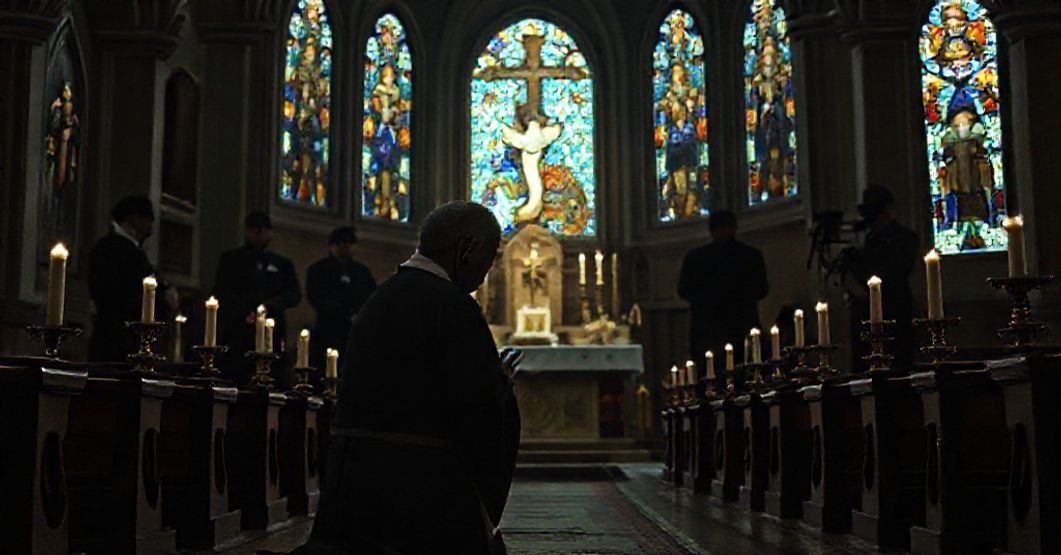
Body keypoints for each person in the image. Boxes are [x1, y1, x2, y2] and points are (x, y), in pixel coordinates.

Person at [295, 201, 521, 555]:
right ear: (466, 249)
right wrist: (500, 385)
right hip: (419, 498)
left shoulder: (383, 295)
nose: (486, 272)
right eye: (490, 258)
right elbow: (475, 410)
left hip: (355, 493)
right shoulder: (454, 305)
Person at [678, 210, 769, 389]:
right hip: (738, 328)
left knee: (710, 383)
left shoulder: (696, 258)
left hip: (708, 331)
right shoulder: (750, 256)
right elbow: (761, 290)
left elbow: (684, 291)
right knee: (743, 382)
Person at [88, 195, 179, 362]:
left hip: (129, 339)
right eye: (148, 219)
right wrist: (162, 297)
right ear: (132, 219)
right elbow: (124, 295)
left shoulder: (131, 250)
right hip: (118, 340)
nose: (152, 225)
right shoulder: (113, 250)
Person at [213, 212, 301, 384]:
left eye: (263, 230)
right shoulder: (231, 259)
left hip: (272, 329)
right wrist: (246, 311)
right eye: (254, 230)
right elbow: (222, 291)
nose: (259, 234)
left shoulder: (282, 264)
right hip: (239, 329)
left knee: (272, 376)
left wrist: (270, 306)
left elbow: (294, 294)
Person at [843, 185, 920, 372]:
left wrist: (865, 288)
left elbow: (893, 274)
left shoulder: (904, 239)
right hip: (865, 316)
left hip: (893, 314)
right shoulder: (870, 241)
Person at [305, 227, 376, 369]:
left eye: (350, 243)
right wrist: (342, 311)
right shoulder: (319, 269)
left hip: (355, 331)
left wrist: (360, 314)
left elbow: (373, 296)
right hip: (329, 328)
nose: (346, 246)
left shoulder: (362, 272)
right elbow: (316, 296)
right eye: (342, 243)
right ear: (332, 245)